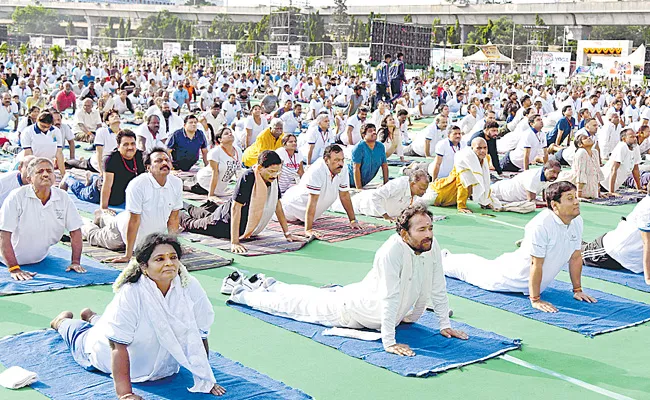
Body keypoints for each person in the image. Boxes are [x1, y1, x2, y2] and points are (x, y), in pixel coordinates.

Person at [229, 204, 468, 355]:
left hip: (361, 298)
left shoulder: (431, 244)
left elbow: (437, 284)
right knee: (296, 306)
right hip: (350, 311)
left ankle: (270, 284)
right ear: (404, 233)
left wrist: (444, 325)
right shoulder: (390, 252)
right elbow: (390, 297)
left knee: (313, 294)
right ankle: (243, 294)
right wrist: (389, 342)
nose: (428, 234)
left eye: (430, 228)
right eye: (422, 230)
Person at [50, 233, 226, 399]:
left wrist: (205, 377)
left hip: (163, 366)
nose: (169, 263)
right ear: (144, 266)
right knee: (82, 336)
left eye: (173, 257)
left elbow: (201, 332)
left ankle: (92, 316)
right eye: (160, 259)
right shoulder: (132, 292)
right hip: (106, 349)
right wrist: (124, 394)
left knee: (111, 322)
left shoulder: (190, 286)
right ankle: (62, 322)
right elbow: (116, 345)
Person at [443, 181, 597, 312]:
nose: (576, 202)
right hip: (508, 277)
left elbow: (576, 256)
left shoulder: (577, 221)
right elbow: (535, 263)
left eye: (576, 197)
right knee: (467, 270)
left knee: (477, 264)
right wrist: (535, 299)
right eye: (570, 198)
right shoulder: (540, 225)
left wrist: (578, 290)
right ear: (554, 205)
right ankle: (441, 259)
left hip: (528, 278)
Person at [180, 151, 298, 254]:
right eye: (272, 171)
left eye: (277, 171)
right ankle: (176, 211)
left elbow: (277, 205)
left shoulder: (273, 178)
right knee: (192, 224)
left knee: (203, 214)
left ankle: (185, 205)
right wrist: (234, 242)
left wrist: (287, 233)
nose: (274, 175)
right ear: (260, 168)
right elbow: (236, 208)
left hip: (230, 218)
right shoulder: (248, 177)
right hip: (224, 222)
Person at [81, 148, 183, 262]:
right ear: (148, 167)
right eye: (158, 161)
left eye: (167, 160)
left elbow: (173, 218)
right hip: (122, 232)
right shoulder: (138, 184)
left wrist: (175, 246)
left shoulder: (176, 183)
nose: (164, 163)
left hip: (147, 237)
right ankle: (83, 223)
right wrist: (128, 255)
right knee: (95, 236)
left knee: (114, 220)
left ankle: (103, 216)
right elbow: (133, 221)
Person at [0, 157, 85, 281]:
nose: (45, 174)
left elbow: (75, 231)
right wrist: (14, 268)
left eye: (49, 171)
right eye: (39, 172)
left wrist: (75, 261)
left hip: (39, 258)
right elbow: (4, 235)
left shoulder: (63, 197)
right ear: (29, 179)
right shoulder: (16, 197)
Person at [282, 144, 361, 237]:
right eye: (336, 160)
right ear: (326, 160)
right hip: (291, 207)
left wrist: (353, 220)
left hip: (308, 215)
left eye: (342, 160)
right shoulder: (317, 170)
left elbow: (344, 195)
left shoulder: (342, 168)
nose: (341, 163)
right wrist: (308, 230)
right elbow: (312, 201)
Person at [581, 196, 650, 284]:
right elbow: (647, 242)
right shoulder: (647, 208)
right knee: (573, 253)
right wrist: (648, 278)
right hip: (611, 252)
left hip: (631, 255)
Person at [424, 137, 501, 213]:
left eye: (485, 148)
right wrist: (461, 206)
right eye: (479, 148)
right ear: (472, 148)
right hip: (439, 193)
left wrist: (485, 201)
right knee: (418, 203)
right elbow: (463, 183)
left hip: (454, 199)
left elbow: (485, 181)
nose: (483, 151)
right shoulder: (464, 159)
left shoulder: (485, 158)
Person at [333, 170, 429, 222]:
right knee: (332, 204)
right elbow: (375, 197)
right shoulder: (398, 184)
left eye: (425, 189)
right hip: (363, 204)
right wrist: (386, 216)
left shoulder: (416, 193)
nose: (424, 192)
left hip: (371, 205)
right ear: (412, 184)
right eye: (421, 189)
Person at [65, 110, 121, 174]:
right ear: (107, 122)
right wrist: (101, 170)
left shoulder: (123, 134)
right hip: (98, 163)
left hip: (114, 163)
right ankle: (67, 162)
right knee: (79, 164)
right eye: (112, 116)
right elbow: (99, 152)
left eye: (117, 116)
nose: (116, 117)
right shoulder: (102, 131)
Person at [194, 126, 242, 199]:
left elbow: (238, 171)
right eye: (226, 133)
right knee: (187, 185)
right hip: (204, 182)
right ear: (220, 139)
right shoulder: (215, 152)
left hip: (221, 187)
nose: (230, 134)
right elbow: (215, 173)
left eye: (230, 133)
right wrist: (211, 195)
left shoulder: (238, 150)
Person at [557, 132, 604, 199]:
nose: (589, 138)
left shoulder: (595, 152)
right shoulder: (581, 152)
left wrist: (598, 191)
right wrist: (578, 194)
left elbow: (597, 172)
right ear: (580, 144)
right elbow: (580, 173)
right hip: (578, 184)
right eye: (585, 138)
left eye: (588, 137)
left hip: (591, 184)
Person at [491, 159, 561, 204]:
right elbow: (531, 200)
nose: (555, 175)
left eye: (558, 173)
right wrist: (548, 204)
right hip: (501, 192)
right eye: (553, 172)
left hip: (510, 193)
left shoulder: (549, 177)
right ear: (545, 169)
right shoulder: (533, 177)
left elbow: (544, 195)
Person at [21, 111, 66, 175]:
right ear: (37, 121)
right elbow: (28, 154)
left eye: (48, 127)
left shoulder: (56, 131)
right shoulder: (27, 131)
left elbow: (59, 153)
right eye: (43, 126)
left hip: (48, 163)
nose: (45, 129)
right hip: (33, 163)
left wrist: (63, 173)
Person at [601, 128, 641, 194]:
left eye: (635, 136)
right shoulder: (622, 147)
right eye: (631, 137)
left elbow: (635, 169)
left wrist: (639, 189)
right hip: (602, 184)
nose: (635, 139)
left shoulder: (636, 147)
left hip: (614, 187)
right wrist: (611, 192)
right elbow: (613, 169)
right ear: (624, 139)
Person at [349, 123, 388, 189]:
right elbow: (356, 169)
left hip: (364, 182)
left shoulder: (380, 146)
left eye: (374, 130)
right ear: (364, 135)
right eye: (370, 131)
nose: (374, 132)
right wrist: (359, 188)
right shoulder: (358, 147)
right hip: (348, 179)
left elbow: (384, 165)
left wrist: (386, 184)